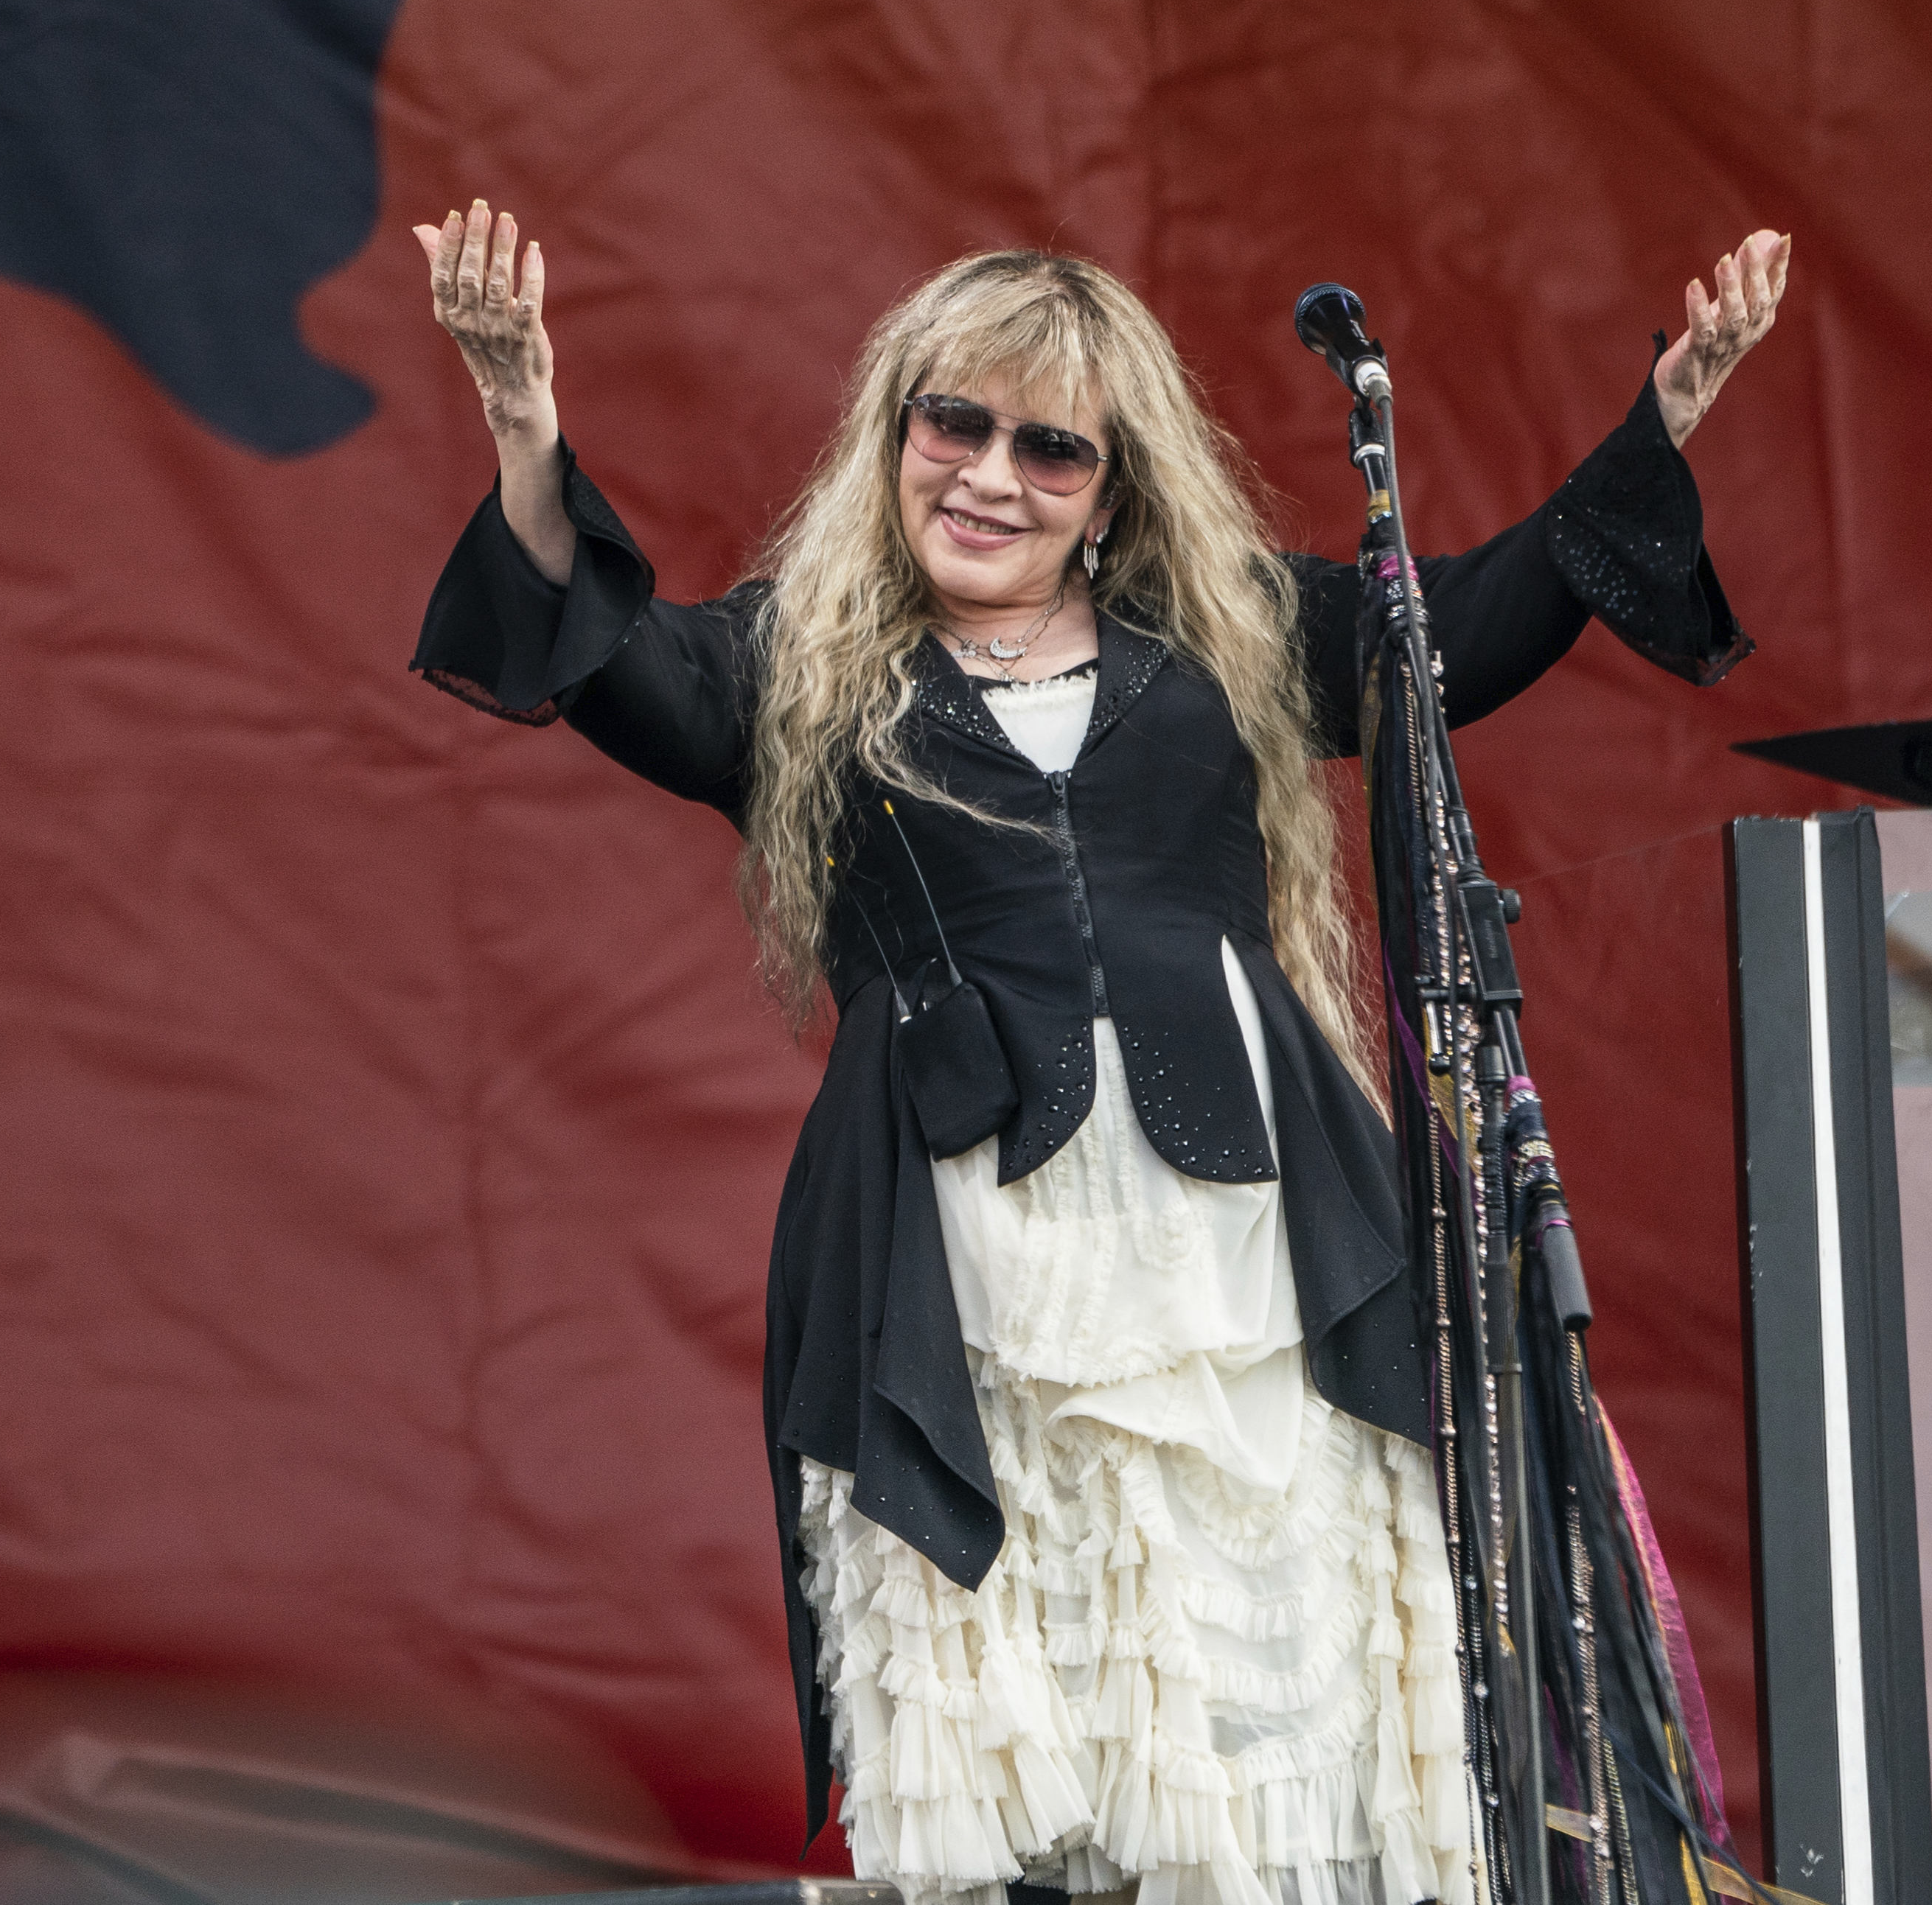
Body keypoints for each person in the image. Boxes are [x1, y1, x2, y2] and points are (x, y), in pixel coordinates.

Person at [406, 203, 1787, 1905]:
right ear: (896, 430)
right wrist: (525, 423)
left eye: (1050, 446)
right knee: (1021, 1722)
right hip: (969, 1268)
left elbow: (1471, 627)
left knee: (1270, 1699)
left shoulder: (1226, 642)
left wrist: (1664, 413)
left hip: (1248, 1262)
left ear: (1111, 491)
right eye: (954, 423)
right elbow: (603, 653)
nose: (990, 473)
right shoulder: (798, 664)